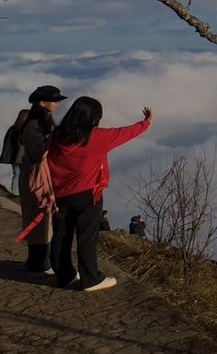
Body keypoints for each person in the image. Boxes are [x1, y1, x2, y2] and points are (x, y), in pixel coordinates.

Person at [44, 96, 149, 292]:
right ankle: (90, 279)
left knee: (61, 235)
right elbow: (124, 133)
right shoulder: (96, 137)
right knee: (86, 238)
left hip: (59, 194)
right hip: (87, 195)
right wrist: (146, 122)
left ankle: (64, 276)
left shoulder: (56, 135)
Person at [10, 85, 63, 274]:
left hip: (38, 173)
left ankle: (39, 261)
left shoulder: (42, 121)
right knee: (38, 216)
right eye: (54, 100)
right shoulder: (34, 125)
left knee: (42, 217)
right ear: (42, 103)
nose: (57, 104)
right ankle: (39, 262)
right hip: (36, 175)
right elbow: (39, 152)